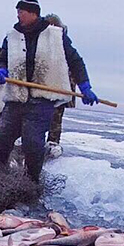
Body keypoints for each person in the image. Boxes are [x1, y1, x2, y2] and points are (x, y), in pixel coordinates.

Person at [0, 0, 98, 182]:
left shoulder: (56, 35)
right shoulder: (11, 37)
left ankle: (31, 181)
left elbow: (75, 60)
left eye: (21, 12)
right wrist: (1, 70)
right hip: (16, 98)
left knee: (32, 143)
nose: (18, 16)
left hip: (41, 100)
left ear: (33, 13)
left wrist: (85, 85)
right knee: (1, 139)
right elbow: (3, 58)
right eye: (17, 12)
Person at [44, 13, 78, 157]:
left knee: (56, 115)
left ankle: (53, 143)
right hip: (44, 86)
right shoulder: (41, 41)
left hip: (60, 87)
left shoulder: (64, 44)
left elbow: (73, 65)